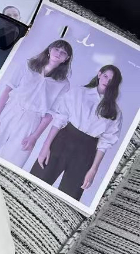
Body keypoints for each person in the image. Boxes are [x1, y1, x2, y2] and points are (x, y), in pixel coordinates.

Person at [31, 65, 123, 201]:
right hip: (63, 141)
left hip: (86, 152)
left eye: (112, 80)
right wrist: (46, 146)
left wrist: (93, 170)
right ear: (99, 74)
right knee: (36, 181)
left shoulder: (115, 112)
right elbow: (60, 119)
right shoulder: (79, 93)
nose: (107, 81)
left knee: (69, 197)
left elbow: (105, 143)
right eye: (105, 76)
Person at [0, 39, 73, 168]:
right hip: (10, 111)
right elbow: (8, 89)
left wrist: (34, 136)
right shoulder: (28, 65)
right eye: (56, 49)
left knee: (12, 163)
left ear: (66, 58)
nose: (59, 53)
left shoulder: (63, 84)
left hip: (31, 122)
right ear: (49, 49)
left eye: (63, 53)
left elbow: (50, 114)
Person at [0, 6, 21, 87]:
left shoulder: (23, 40)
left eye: (15, 15)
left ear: (20, 18)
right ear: (2, 19)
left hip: (10, 83)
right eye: (8, 15)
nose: (12, 18)